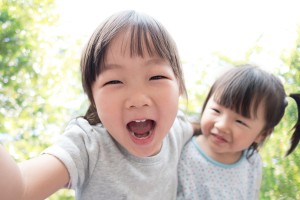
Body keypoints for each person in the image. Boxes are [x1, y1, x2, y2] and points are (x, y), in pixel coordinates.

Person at [0, 10, 193, 199]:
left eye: (156, 76)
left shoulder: (177, 130)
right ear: (93, 98)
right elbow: (19, 190)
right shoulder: (88, 146)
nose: (137, 100)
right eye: (114, 82)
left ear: (179, 86)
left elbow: (204, 127)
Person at [177, 64, 300, 200]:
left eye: (240, 121)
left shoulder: (252, 162)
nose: (222, 125)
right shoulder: (184, 152)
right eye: (216, 110)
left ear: (262, 134)